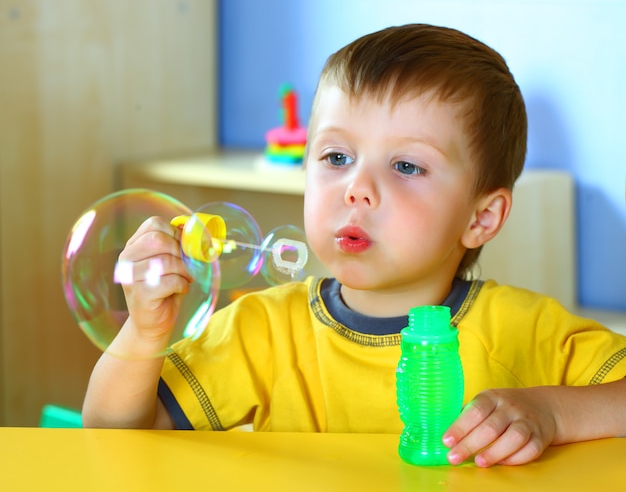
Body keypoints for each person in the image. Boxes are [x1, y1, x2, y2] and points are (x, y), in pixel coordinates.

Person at [82, 24, 626, 467]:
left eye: (407, 166)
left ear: (482, 217)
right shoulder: (263, 330)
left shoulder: (522, 331)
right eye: (336, 157)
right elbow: (114, 431)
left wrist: (551, 412)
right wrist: (144, 333)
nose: (356, 188)